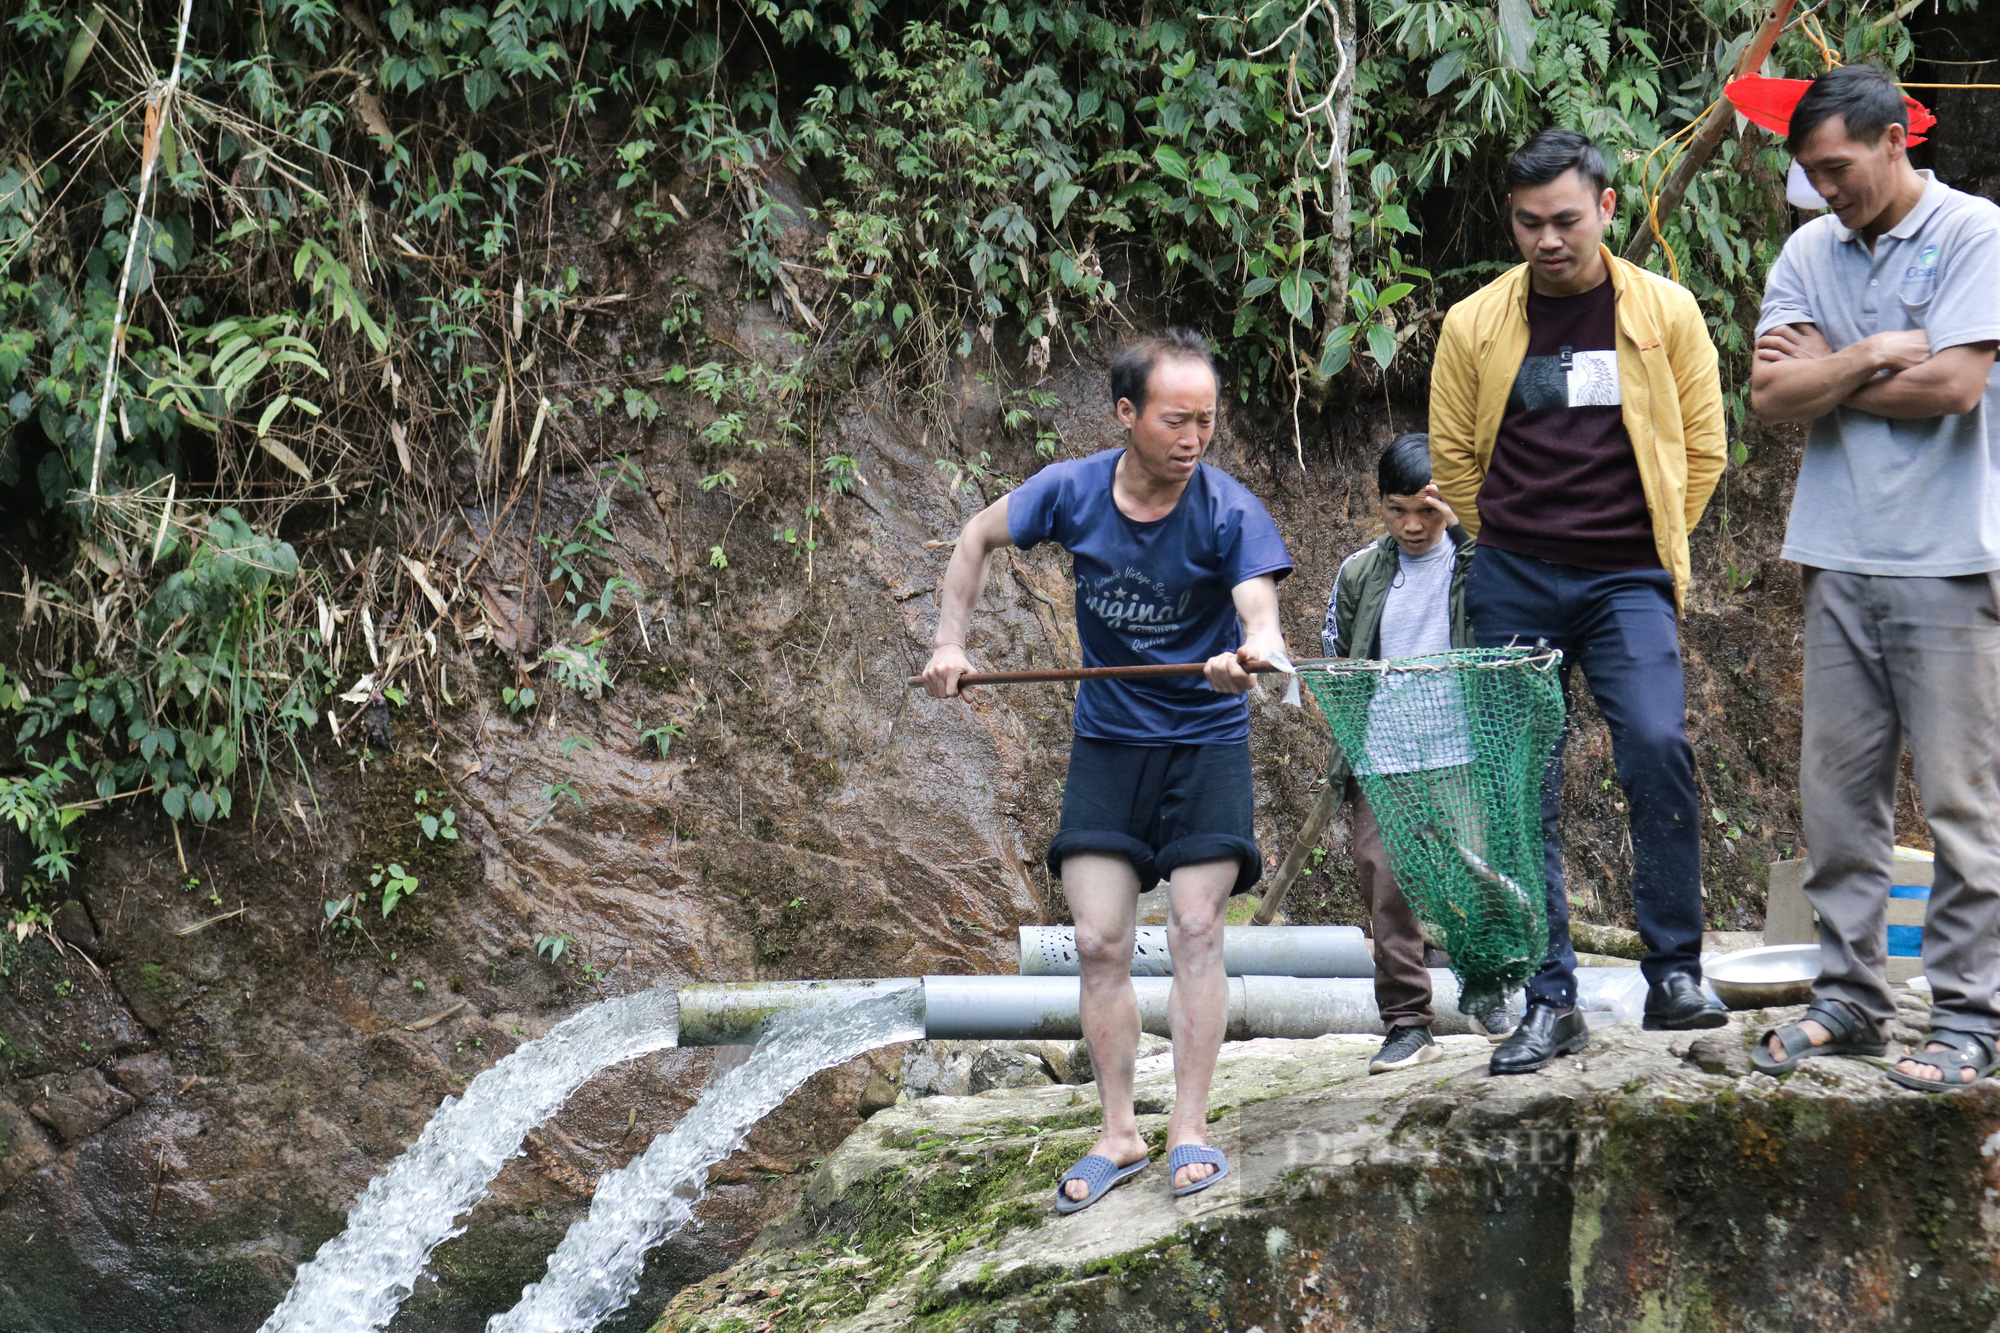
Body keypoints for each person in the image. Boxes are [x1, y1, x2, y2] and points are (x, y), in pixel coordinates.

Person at [919, 329, 1292, 1209]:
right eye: (1176, 419)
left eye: (1206, 420)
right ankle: (1118, 1131)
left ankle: (1189, 1127)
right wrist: (948, 641)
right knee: (1097, 940)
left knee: (1198, 928)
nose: (1194, 437)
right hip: (1109, 741)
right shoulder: (1073, 491)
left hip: (1205, 738)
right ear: (1127, 414)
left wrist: (1252, 651)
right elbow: (975, 538)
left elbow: (1261, 614)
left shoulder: (1230, 510)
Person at [1430, 127, 1731, 1077]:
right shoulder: (1473, 324)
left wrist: (1642, 541)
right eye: (1528, 223)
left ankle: (1674, 969)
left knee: (1655, 743)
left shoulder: (1664, 311)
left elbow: (1705, 447)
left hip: (1627, 578)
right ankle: (1550, 997)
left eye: (1566, 219)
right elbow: (1453, 465)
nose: (1548, 239)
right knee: (1520, 780)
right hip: (1515, 573)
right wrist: (1518, 538)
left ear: (1606, 208)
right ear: (1510, 223)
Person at [1747, 64, 2000, 1089]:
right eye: (1810, 173)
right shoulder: (1808, 247)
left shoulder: (1973, 232)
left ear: (1895, 139)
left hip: (1949, 560)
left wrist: (1834, 364)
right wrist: (1875, 354)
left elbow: (1951, 384)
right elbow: (1768, 392)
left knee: (1958, 804)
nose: (1824, 189)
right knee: (1835, 799)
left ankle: (1970, 1017)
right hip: (1837, 556)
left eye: (1838, 167)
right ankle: (1848, 999)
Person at [1320, 432, 1513, 1072]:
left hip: (1464, 748)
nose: (1411, 525)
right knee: (1386, 885)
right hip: (1384, 756)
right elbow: (1339, 653)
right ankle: (1406, 1022)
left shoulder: (1481, 561)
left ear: (1450, 505)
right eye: (1397, 509)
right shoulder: (1359, 572)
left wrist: (1469, 536)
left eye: (1427, 510)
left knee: (1479, 874)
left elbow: (1512, 604)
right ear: (1380, 505)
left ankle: (1490, 991)